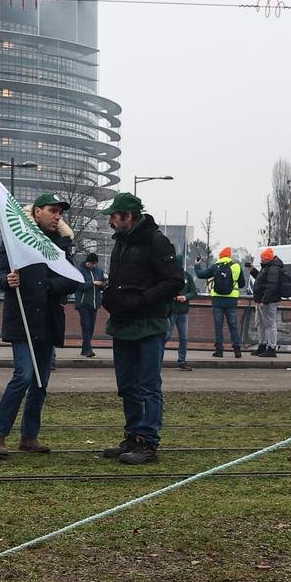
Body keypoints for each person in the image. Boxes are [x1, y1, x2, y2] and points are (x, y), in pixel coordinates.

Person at [0, 194, 80, 458]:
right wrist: (7, 280)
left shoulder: (61, 245)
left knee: (40, 382)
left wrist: (48, 287)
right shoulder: (15, 239)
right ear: (37, 212)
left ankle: (29, 436)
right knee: (24, 376)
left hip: (48, 321)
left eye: (60, 213)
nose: (57, 216)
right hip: (22, 320)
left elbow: (72, 279)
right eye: (53, 211)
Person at [98, 192, 184, 465]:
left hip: (149, 324)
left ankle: (148, 442)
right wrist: (110, 297)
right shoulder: (120, 243)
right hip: (123, 324)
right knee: (127, 386)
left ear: (128, 217)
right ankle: (133, 435)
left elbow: (174, 280)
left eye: (113, 216)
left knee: (147, 385)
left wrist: (142, 300)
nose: (110, 221)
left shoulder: (156, 242)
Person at [199, 246, 246, 359]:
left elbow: (200, 274)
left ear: (220, 255)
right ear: (229, 256)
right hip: (231, 300)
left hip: (217, 300)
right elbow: (242, 284)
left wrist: (197, 265)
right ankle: (237, 349)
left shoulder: (216, 266)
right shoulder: (236, 266)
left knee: (218, 325)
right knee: (233, 325)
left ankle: (219, 350)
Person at [250, 247, 289, 357]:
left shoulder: (273, 269)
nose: (261, 260)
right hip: (261, 300)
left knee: (270, 324)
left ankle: (271, 347)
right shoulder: (268, 267)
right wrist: (253, 271)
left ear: (267, 259)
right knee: (261, 324)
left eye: (262, 258)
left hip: (267, 301)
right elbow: (262, 280)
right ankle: (263, 345)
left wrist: (265, 301)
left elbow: (272, 286)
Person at [169, 261, 199, 371]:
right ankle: (157, 360)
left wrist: (185, 297)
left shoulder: (187, 276)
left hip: (182, 311)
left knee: (183, 338)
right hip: (171, 311)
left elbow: (194, 292)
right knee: (165, 336)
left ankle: (182, 360)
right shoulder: (169, 276)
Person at [75, 252, 106, 357]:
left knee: (91, 327)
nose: (94, 266)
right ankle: (88, 349)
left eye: (95, 264)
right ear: (88, 262)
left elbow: (102, 284)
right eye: (93, 263)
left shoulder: (99, 271)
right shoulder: (80, 271)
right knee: (86, 326)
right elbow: (80, 286)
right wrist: (92, 283)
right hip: (83, 303)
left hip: (94, 303)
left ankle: (85, 349)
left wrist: (102, 284)